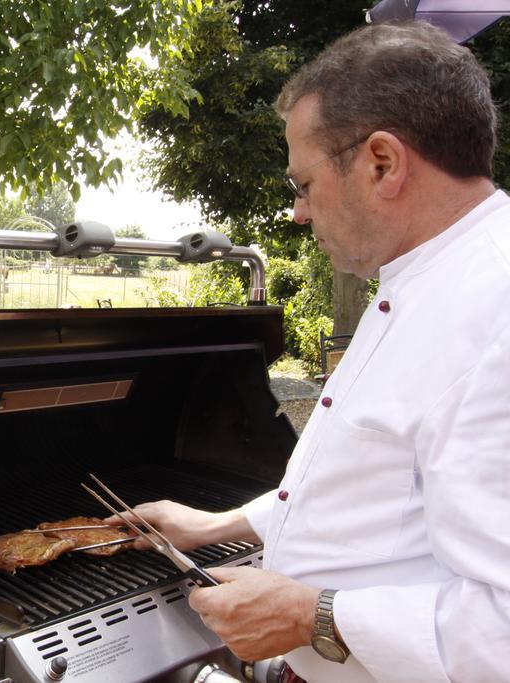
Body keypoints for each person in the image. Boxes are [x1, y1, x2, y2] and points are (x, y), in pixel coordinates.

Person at [110, 21, 510, 683]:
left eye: (303, 183)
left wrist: (312, 616)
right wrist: (218, 522)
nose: (297, 211)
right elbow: (372, 486)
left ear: (382, 163)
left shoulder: (492, 313)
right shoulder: (424, 278)